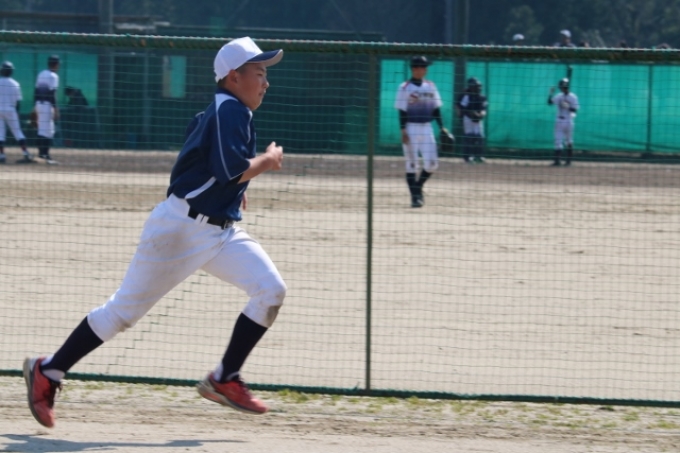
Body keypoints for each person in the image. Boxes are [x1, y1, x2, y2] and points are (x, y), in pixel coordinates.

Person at [23, 36, 287, 428]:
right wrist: (266, 160)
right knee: (122, 312)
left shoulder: (225, 109)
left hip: (218, 231)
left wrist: (232, 189)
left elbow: (197, 143)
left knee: (270, 289)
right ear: (234, 77)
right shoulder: (230, 109)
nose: (266, 82)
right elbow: (231, 169)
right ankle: (48, 370)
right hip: (180, 230)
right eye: (259, 72)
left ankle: (225, 377)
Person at [394, 55, 448, 208]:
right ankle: (415, 198)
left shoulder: (430, 86)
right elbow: (402, 111)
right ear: (414, 69)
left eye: (425, 67)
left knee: (432, 164)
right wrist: (403, 130)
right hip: (410, 127)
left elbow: (436, 109)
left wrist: (442, 127)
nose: (424, 69)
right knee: (412, 165)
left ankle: (418, 187)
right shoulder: (404, 87)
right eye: (421, 67)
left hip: (427, 128)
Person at [0, 61, 33, 164]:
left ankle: (1, 155)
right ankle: (25, 153)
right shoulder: (15, 84)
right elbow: (18, 101)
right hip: (11, 110)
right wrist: (17, 112)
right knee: (18, 132)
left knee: (0, 134)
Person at [32, 54, 60, 165]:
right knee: (49, 130)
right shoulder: (54, 76)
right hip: (47, 105)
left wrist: (35, 106)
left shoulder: (41, 74)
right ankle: (45, 155)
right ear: (56, 64)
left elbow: (35, 91)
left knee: (41, 130)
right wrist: (56, 109)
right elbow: (52, 94)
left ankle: (41, 154)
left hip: (39, 104)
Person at [456, 77, 488, 164]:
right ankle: (468, 156)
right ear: (471, 87)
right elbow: (462, 108)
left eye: (479, 86)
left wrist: (480, 115)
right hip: (468, 118)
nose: (478, 88)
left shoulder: (482, 97)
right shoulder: (466, 96)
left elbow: (484, 109)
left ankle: (479, 156)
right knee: (469, 137)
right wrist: (471, 113)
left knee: (479, 137)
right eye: (476, 86)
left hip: (478, 120)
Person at [548, 78, 579, 166]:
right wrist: (550, 93)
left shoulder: (573, 97)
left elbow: (575, 110)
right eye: (561, 87)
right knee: (557, 141)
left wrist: (568, 107)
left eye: (563, 87)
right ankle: (557, 161)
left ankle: (568, 161)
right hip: (559, 121)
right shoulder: (559, 96)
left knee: (569, 141)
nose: (562, 88)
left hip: (569, 120)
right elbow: (549, 102)